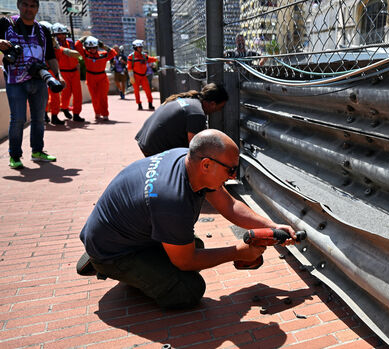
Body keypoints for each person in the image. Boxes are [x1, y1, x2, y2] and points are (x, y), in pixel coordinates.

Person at [79, 129, 296, 309]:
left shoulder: (187, 158)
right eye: (230, 170)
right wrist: (238, 253)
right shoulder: (172, 200)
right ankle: (108, 264)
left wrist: (273, 226)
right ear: (206, 165)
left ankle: (130, 260)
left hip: (118, 230)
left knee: (195, 246)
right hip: (114, 251)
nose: (233, 176)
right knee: (188, 290)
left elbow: (230, 205)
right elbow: (185, 261)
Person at [0, 0, 62, 169]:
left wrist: (57, 76)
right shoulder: (6, 23)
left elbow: (50, 55)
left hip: (39, 79)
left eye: (32, 6)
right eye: (25, 5)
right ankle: (15, 155)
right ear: (19, 5)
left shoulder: (43, 30)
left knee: (39, 118)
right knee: (18, 119)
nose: (29, 9)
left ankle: (37, 151)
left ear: (37, 8)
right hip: (15, 81)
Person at [135, 83, 228, 157]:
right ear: (212, 104)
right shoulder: (197, 114)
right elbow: (195, 149)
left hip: (145, 140)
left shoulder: (188, 100)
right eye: (221, 107)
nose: (219, 110)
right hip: (155, 148)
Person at [75, 35, 117, 121]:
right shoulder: (85, 54)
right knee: (94, 97)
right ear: (86, 48)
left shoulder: (103, 55)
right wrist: (83, 38)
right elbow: (77, 46)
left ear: (97, 47)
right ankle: (97, 113)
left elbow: (113, 53)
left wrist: (103, 46)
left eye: (94, 47)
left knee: (103, 97)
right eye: (90, 48)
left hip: (102, 77)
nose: (92, 49)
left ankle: (105, 113)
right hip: (90, 77)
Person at [52, 22, 84, 122]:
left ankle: (76, 113)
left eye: (63, 34)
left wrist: (78, 67)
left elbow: (78, 56)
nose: (61, 36)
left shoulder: (71, 43)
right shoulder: (55, 45)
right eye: (58, 34)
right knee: (66, 94)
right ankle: (64, 108)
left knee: (78, 94)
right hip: (63, 72)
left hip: (74, 72)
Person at [127, 39, 157, 110]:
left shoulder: (144, 55)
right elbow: (129, 67)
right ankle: (139, 104)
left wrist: (156, 59)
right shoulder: (131, 56)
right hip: (135, 76)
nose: (141, 49)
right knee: (136, 91)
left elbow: (150, 59)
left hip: (143, 76)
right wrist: (131, 77)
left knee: (148, 91)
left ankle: (150, 104)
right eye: (139, 47)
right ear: (135, 47)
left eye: (141, 47)